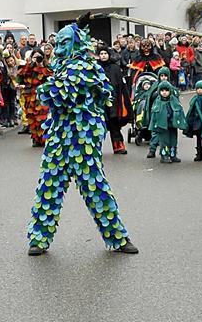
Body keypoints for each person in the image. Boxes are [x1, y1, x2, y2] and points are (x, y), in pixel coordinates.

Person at [26, 22, 137, 256]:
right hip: (59, 137)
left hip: (82, 139)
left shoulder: (82, 66)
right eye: (57, 44)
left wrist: (46, 83)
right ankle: (38, 238)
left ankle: (117, 237)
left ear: (76, 44)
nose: (57, 49)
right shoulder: (64, 66)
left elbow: (55, 94)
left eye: (64, 43)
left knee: (94, 186)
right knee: (49, 185)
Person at [97, 47, 131, 154]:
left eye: (105, 53)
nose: (103, 55)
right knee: (97, 127)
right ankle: (95, 150)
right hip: (100, 101)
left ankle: (118, 147)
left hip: (113, 101)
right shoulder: (96, 68)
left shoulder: (115, 68)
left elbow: (121, 85)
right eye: (101, 53)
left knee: (114, 125)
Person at [19, 48, 51, 147]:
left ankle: (44, 138)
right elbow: (21, 77)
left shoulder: (47, 67)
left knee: (43, 117)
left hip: (43, 96)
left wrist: (41, 66)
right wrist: (30, 64)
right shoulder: (27, 68)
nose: (37, 59)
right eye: (35, 57)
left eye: (39, 56)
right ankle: (35, 139)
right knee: (32, 118)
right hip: (30, 96)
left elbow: (50, 78)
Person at [184, 80, 202, 162]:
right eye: (198, 88)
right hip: (196, 122)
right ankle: (199, 154)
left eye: (201, 88)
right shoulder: (195, 99)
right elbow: (191, 111)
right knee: (198, 138)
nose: (199, 90)